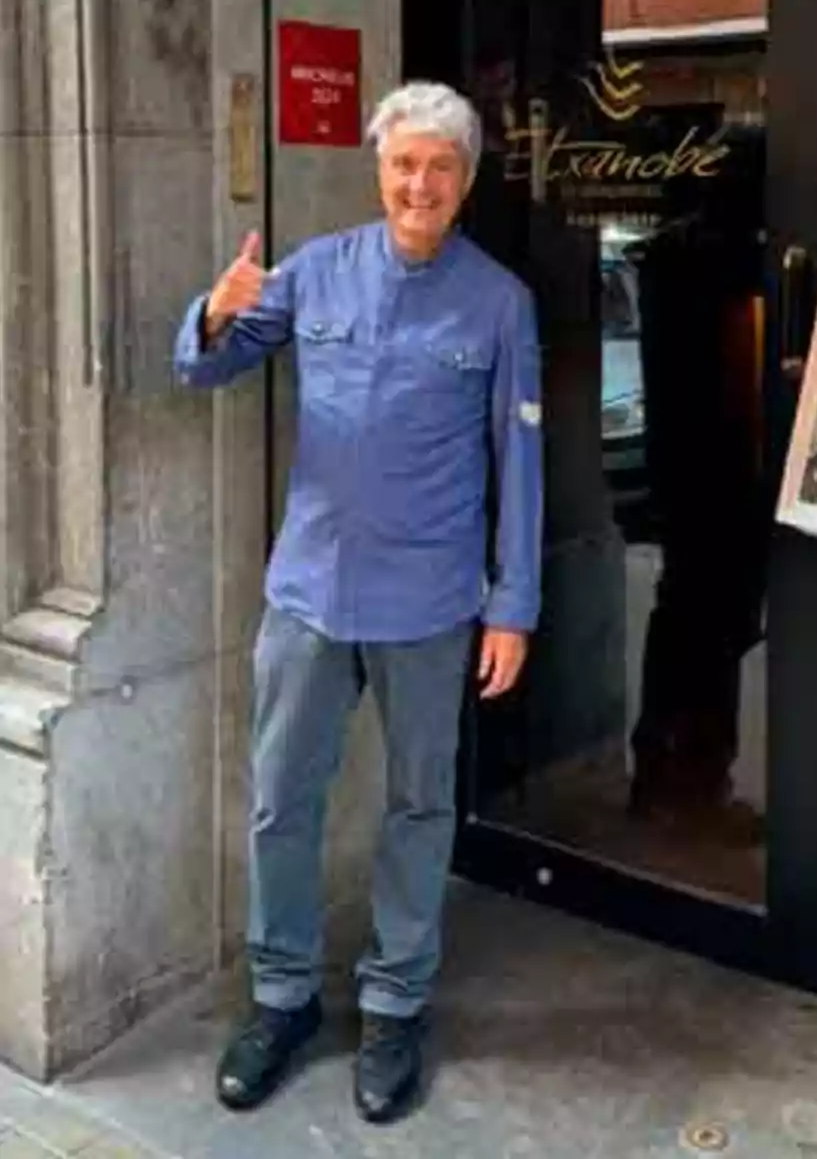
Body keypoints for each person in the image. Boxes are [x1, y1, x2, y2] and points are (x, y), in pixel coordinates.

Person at [173, 82, 542, 1124]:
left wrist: (512, 604)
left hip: (430, 602)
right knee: (282, 796)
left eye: (440, 167)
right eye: (403, 164)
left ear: (465, 181)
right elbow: (208, 365)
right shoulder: (319, 270)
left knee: (420, 804)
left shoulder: (499, 301)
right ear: (379, 170)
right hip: (310, 590)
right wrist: (218, 309)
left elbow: (520, 464)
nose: (418, 183)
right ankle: (282, 996)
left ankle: (395, 1002)